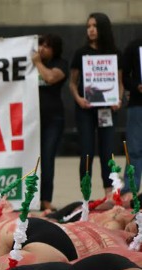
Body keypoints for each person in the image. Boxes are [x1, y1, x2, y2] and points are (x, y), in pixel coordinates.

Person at [69, 12, 123, 195]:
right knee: (86, 151)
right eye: (88, 26)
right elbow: (72, 82)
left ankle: (109, 192)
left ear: (103, 28)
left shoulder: (115, 53)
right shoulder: (81, 53)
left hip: (107, 109)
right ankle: (86, 194)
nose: (91, 30)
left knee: (108, 151)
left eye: (94, 26)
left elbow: (119, 83)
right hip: (86, 109)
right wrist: (78, 99)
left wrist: (118, 99)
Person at [33, 34, 68, 211]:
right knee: (31, 159)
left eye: (47, 46)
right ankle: (32, 198)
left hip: (53, 120)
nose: (42, 49)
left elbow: (50, 78)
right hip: (31, 119)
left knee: (47, 159)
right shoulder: (29, 64)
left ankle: (45, 199)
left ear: (55, 49)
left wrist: (37, 63)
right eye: (40, 45)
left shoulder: (60, 64)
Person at [122, 33, 142, 197]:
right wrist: (137, 86)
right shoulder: (134, 46)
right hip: (138, 104)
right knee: (134, 149)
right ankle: (130, 189)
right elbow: (124, 77)